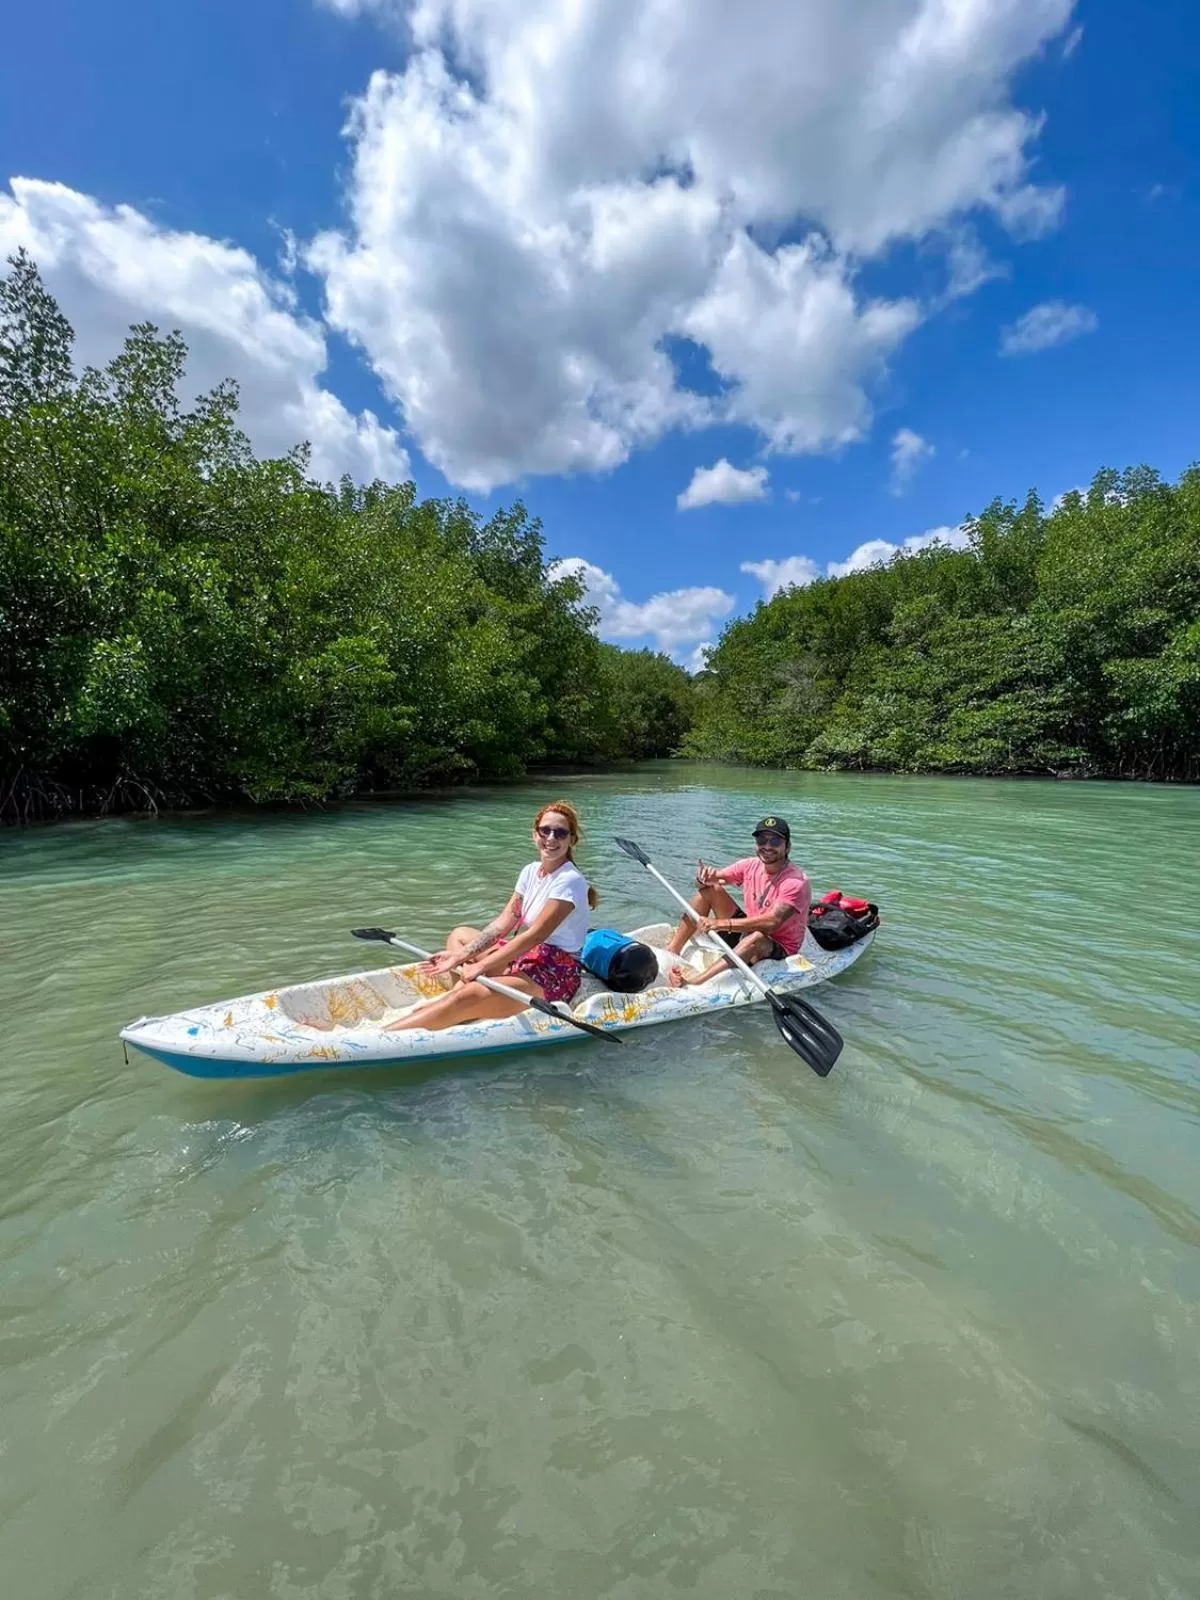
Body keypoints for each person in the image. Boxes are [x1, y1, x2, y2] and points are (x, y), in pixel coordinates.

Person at [383, 800, 598, 1033]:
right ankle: (461, 1004)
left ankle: (387, 1034)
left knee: (470, 992)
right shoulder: (530, 871)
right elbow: (504, 922)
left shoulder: (570, 880)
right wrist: (461, 956)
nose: (551, 838)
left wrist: (481, 965)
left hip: (555, 970)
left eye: (560, 832)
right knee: (460, 936)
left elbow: (535, 935)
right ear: (534, 834)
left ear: (571, 840)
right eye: (545, 830)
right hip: (528, 957)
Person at [665, 815, 810, 988]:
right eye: (761, 840)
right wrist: (703, 878)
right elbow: (710, 881)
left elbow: (772, 922)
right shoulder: (750, 865)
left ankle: (696, 981)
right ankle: (673, 950)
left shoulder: (795, 881)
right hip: (748, 932)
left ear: (788, 847)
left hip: (776, 946)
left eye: (775, 841)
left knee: (756, 937)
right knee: (710, 891)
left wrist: (719, 924)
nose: (767, 846)